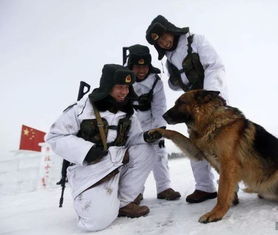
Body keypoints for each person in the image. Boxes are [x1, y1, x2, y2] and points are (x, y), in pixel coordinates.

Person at [46, 64, 162, 232]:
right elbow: (55, 136)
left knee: (147, 150)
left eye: (128, 87)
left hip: (117, 163)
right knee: (96, 223)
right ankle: (100, 201)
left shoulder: (128, 111)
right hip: (90, 171)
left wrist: (145, 137)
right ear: (108, 86)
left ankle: (124, 202)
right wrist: (86, 150)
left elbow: (134, 140)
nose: (124, 92)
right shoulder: (81, 109)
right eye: (120, 87)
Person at [145, 15, 228, 203]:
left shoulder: (196, 41)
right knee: (196, 143)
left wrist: (213, 96)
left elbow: (214, 66)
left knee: (222, 144)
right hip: (191, 108)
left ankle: (231, 188)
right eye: (159, 42)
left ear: (171, 30)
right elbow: (177, 85)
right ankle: (205, 187)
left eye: (164, 36)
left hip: (211, 99)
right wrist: (174, 82)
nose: (164, 43)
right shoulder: (169, 60)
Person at [123, 44, 181, 202]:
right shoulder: (122, 80)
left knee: (160, 154)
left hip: (151, 122)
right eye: (137, 66)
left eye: (145, 66)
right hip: (130, 126)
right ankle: (135, 192)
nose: (141, 70)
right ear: (131, 66)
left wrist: (159, 128)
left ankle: (164, 188)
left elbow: (159, 107)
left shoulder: (156, 82)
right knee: (134, 159)